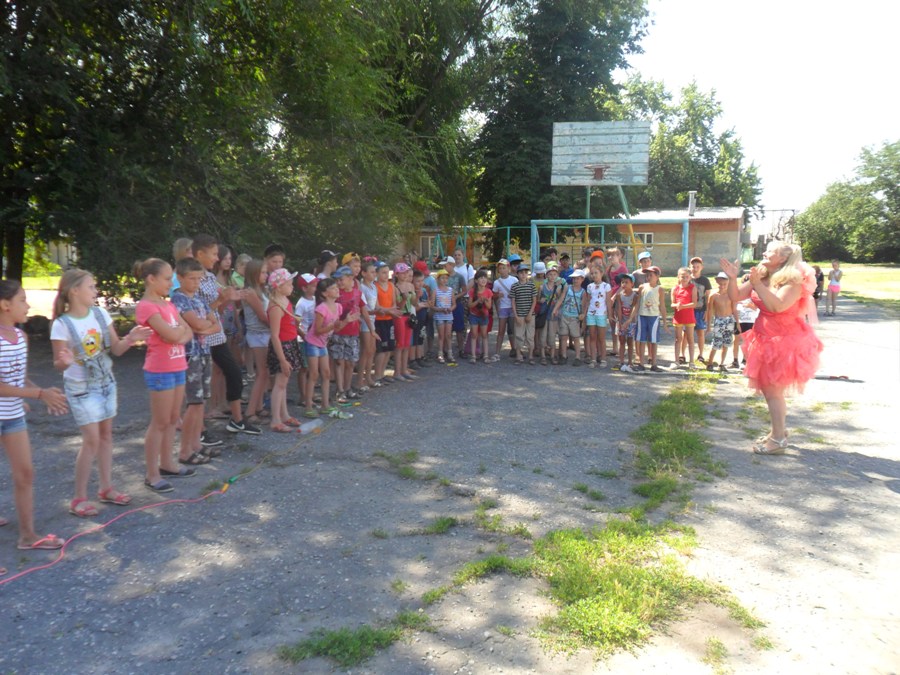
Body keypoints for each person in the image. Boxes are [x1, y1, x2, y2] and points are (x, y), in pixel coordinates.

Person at [50, 270, 152, 516]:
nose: (95, 291)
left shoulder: (100, 314)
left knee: (105, 435)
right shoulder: (61, 324)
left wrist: (131, 338)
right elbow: (59, 364)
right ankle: (79, 498)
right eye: (91, 287)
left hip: (106, 383)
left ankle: (106, 488)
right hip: (81, 388)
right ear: (74, 291)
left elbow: (116, 349)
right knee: (92, 440)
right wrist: (64, 361)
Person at [720, 243, 823, 455]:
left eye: (770, 251)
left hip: (784, 342)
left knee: (772, 392)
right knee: (771, 391)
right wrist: (732, 278)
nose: (764, 253)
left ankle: (777, 440)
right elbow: (735, 296)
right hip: (764, 338)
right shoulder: (763, 276)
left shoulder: (793, 281)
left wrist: (757, 284)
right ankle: (779, 432)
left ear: (783, 258)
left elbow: (777, 306)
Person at [0, 280, 69, 563]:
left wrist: (38, 392)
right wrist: (38, 394)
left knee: (25, 474)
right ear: (5, 305)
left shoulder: (21, 337)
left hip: (12, 416)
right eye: (22, 300)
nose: (28, 306)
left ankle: (28, 536)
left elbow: (18, 377)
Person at [134, 258, 194, 493]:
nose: (172, 283)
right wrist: (178, 333)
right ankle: (152, 474)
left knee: (172, 418)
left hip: (178, 366)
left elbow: (186, 332)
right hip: (160, 370)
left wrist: (177, 334)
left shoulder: (168, 305)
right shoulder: (147, 306)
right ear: (151, 279)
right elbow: (173, 334)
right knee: (159, 422)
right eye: (168, 279)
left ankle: (168, 463)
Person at [192, 234, 259, 435]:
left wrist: (231, 298)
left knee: (234, 372)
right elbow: (195, 313)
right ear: (199, 254)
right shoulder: (191, 278)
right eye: (213, 254)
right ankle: (198, 430)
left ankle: (237, 419)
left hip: (216, 334)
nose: (216, 258)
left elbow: (217, 311)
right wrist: (222, 299)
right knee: (200, 383)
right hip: (201, 338)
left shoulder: (210, 277)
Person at [170, 258, 221, 464]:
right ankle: (185, 450)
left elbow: (215, 325)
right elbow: (198, 324)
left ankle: (196, 444)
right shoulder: (179, 299)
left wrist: (203, 327)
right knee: (194, 402)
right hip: (189, 355)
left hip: (204, 352)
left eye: (199, 279)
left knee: (201, 402)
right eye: (192, 278)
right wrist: (203, 326)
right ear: (180, 278)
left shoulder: (199, 299)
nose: (196, 283)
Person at [307, 277, 356, 419]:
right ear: (325, 293)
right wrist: (332, 326)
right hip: (313, 343)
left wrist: (346, 321)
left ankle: (325, 405)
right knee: (314, 374)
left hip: (323, 343)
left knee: (327, 374)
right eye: (333, 288)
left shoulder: (338, 307)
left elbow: (337, 328)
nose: (337, 290)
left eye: (336, 288)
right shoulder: (321, 308)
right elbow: (317, 330)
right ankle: (308, 406)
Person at [267, 268, 304, 430]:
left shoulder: (285, 301)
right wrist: (282, 360)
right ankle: (275, 420)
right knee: (280, 384)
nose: (292, 287)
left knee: (284, 383)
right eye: (289, 284)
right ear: (279, 287)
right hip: (282, 347)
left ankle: (285, 415)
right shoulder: (275, 307)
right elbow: (274, 335)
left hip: (290, 343)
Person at [241, 259, 271, 424]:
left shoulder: (262, 290)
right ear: (254, 274)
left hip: (264, 334)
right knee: (261, 373)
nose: (266, 275)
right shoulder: (250, 292)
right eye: (263, 272)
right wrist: (279, 326)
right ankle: (250, 411)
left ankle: (258, 406)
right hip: (258, 334)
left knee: (264, 372)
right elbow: (262, 317)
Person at [331, 265, 365, 399]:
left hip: (353, 332)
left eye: (341, 280)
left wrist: (370, 327)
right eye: (337, 280)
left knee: (351, 362)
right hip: (338, 331)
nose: (339, 283)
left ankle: (347, 387)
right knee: (339, 361)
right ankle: (340, 390)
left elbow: (362, 308)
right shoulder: (336, 294)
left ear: (351, 278)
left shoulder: (357, 293)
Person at [635, 266, 670, 372]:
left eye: (651, 275)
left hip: (653, 317)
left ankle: (654, 364)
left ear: (657, 276)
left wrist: (665, 322)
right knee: (641, 340)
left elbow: (662, 306)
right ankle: (641, 363)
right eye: (647, 275)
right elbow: (638, 303)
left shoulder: (660, 289)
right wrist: (632, 317)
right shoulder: (642, 287)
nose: (649, 277)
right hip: (642, 316)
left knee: (653, 341)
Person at [704, 272, 740, 371]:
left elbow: (734, 309)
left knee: (726, 343)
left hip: (729, 320)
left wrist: (737, 323)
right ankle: (710, 363)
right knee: (716, 342)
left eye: (725, 284)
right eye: (720, 284)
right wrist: (708, 326)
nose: (722, 286)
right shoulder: (713, 296)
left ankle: (722, 363)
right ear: (717, 282)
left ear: (728, 283)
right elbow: (709, 311)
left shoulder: (730, 295)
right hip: (719, 320)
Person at [372, 262, 401, 383]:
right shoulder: (375, 286)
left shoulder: (391, 285)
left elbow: (394, 303)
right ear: (377, 274)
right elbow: (377, 307)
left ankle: (382, 373)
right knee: (381, 349)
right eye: (383, 273)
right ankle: (377, 375)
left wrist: (388, 311)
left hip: (389, 319)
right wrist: (390, 311)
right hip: (379, 321)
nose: (385, 275)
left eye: (387, 272)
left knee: (389, 348)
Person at [553, 268, 588, 365]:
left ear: (582, 279)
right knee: (563, 336)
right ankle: (564, 355)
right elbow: (561, 299)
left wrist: (583, 314)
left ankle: (577, 357)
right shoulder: (567, 288)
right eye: (574, 278)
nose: (575, 280)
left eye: (577, 278)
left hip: (575, 317)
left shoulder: (583, 292)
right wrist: (555, 309)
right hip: (565, 315)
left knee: (576, 338)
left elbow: (584, 305)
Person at [392, 263, 417, 382]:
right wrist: (405, 298)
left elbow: (414, 303)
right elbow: (398, 307)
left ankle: (404, 369)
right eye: (402, 273)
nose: (405, 275)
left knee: (407, 344)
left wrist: (415, 296)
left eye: (406, 272)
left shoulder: (410, 286)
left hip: (409, 316)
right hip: (400, 316)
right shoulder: (395, 288)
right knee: (400, 345)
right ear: (396, 274)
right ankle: (397, 372)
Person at [357, 262, 380, 390]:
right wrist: (376, 311)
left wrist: (387, 310)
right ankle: (359, 380)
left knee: (372, 350)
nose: (374, 274)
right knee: (365, 351)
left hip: (373, 320)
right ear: (364, 273)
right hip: (365, 321)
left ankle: (368, 377)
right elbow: (363, 309)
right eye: (371, 272)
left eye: (375, 272)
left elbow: (376, 306)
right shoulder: (362, 288)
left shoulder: (373, 286)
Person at [585, 266, 612, 368]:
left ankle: (603, 359)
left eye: (596, 273)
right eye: (592, 273)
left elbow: (608, 301)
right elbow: (588, 301)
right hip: (591, 314)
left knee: (601, 338)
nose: (594, 275)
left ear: (601, 273)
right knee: (592, 337)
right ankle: (593, 359)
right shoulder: (589, 286)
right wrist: (585, 313)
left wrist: (610, 314)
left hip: (601, 314)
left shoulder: (606, 286)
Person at [671, 266, 698, 368]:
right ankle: (676, 361)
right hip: (678, 317)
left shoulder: (693, 288)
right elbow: (672, 304)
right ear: (678, 277)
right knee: (678, 339)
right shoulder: (675, 288)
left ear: (690, 277)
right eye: (682, 276)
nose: (685, 278)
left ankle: (691, 362)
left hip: (689, 316)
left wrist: (683, 306)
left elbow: (694, 303)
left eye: (687, 276)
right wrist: (677, 305)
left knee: (690, 339)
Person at [510, 264, 537, 365]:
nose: (523, 274)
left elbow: (534, 300)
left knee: (530, 336)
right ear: (517, 274)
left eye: (525, 272)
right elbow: (513, 302)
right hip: (519, 315)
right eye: (521, 272)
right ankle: (518, 355)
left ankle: (530, 356)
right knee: (518, 335)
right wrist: (516, 316)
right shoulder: (515, 286)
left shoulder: (531, 285)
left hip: (530, 314)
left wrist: (530, 313)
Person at [538, 262, 565, 365]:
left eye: (554, 274)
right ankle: (543, 356)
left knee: (552, 336)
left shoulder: (558, 288)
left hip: (553, 314)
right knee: (543, 336)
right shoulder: (542, 287)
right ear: (546, 275)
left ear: (557, 275)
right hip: (544, 314)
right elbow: (538, 299)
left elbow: (560, 300)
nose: (552, 276)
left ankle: (553, 355)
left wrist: (557, 309)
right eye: (550, 274)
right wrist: (541, 300)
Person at [686, 257, 712, 363]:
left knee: (700, 333)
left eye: (698, 267)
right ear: (690, 267)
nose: (695, 269)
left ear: (702, 267)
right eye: (693, 266)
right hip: (688, 310)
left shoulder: (705, 280)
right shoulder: (687, 278)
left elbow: (708, 297)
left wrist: (707, 311)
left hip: (700, 310)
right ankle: (683, 354)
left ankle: (701, 354)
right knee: (686, 334)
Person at [491, 258, 516, 361]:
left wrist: (513, 296)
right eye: (500, 268)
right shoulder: (497, 282)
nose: (502, 270)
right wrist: (497, 296)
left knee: (512, 330)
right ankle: (497, 352)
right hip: (503, 308)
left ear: (508, 268)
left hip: (512, 308)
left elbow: (518, 293)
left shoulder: (514, 280)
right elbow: (493, 296)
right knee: (501, 331)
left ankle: (515, 349)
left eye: (504, 268)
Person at [467, 270, 493, 363]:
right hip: (474, 315)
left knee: (484, 335)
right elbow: (469, 305)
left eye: (485, 278)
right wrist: (477, 301)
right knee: (474, 335)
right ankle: (473, 355)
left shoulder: (488, 291)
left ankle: (485, 355)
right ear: (476, 280)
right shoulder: (472, 291)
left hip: (484, 316)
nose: (483, 280)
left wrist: (485, 300)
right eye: (481, 278)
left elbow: (489, 307)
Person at [431, 269, 456, 363]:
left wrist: (451, 309)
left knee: (448, 335)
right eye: (442, 278)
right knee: (441, 335)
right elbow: (432, 305)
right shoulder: (435, 291)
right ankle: (440, 353)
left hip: (449, 315)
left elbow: (454, 304)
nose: (444, 280)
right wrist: (440, 309)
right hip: (439, 316)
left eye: (446, 278)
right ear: (438, 279)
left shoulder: (450, 290)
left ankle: (450, 353)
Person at [614, 273, 638, 372]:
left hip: (631, 322)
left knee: (630, 341)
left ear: (632, 284)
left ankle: (630, 361)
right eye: (622, 282)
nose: (624, 284)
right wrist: (620, 322)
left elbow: (633, 309)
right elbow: (619, 309)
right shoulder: (619, 295)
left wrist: (628, 321)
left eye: (626, 282)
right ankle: (621, 361)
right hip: (621, 321)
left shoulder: (634, 295)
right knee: (622, 341)